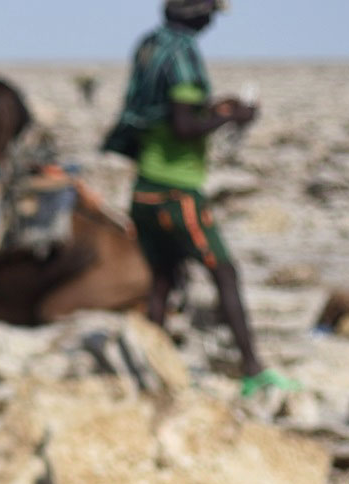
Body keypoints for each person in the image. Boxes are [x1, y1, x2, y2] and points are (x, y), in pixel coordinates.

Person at [106, 1, 295, 397]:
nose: (211, 20)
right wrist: (232, 118)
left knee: (162, 279)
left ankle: (152, 368)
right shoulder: (184, 52)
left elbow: (165, 111)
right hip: (177, 191)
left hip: (144, 188)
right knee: (224, 272)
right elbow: (184, 126)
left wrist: (213, 108)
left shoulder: (150, 45)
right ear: (195, 10)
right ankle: (252, 369)